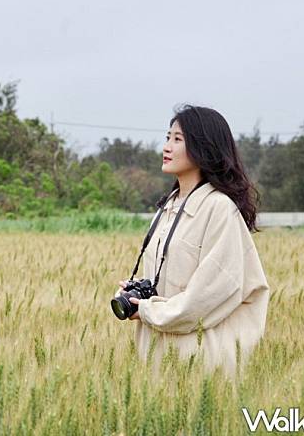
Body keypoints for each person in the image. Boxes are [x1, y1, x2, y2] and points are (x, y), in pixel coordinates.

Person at [114, 104, 270, 378]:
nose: (166, 147)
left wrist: (149, 311)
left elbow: (209, 294)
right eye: (167, 138)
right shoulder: (167, 207)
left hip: (199, 361)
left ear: (203, 148)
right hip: (158, 358)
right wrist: (137, 295)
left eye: (178, 139)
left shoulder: (219, 208)